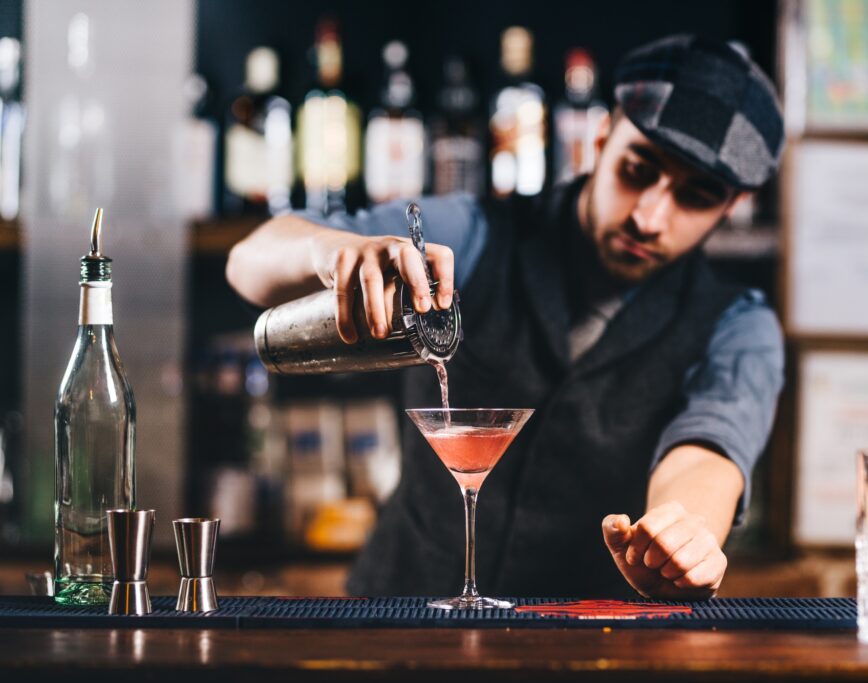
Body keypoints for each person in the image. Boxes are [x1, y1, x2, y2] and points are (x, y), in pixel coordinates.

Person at [227, 34, 785, 599]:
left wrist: (683, 535)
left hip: (579, 639)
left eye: (696, 196)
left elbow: (710, 450)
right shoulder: (474, 232)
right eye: (637, 170)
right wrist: (327, 252)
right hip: (398, 613)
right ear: (601, 137)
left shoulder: (738, 326)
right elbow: (248, 261)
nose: (650, 216)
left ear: (733, 205)